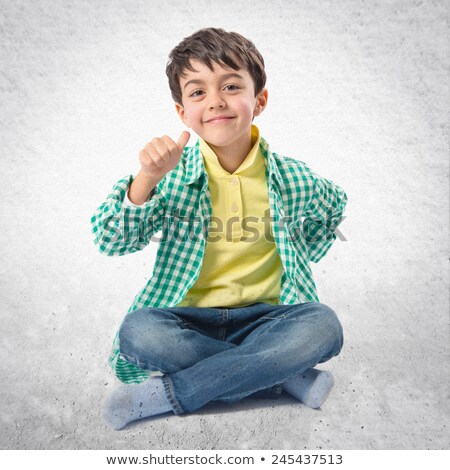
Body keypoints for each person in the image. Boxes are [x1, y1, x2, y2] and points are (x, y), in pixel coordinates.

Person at [90, 27, 348, 430]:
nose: (215, 102)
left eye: (230, 85)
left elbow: (333, 208)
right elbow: (110, 239)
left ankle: (172, 394)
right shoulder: (170, 177)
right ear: (182, 113)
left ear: (258, 100)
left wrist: (302, 250)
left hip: (269, 319)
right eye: (197, 92)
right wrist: (145, 179)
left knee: (324, 325)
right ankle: (280, 375)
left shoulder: (291, 177)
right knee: (139, 331)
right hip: (189, 321)